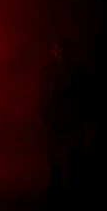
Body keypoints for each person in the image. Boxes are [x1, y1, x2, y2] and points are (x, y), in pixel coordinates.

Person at [38, 38, 95, 200]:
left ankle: (74, 183)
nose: (61, 52)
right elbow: (42, 95)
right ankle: (56, 182)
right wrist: (41, 114)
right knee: (54, 152)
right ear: (54, 52)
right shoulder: (47, 72)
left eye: (65, 49)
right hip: (54, 118)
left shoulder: (81, 71)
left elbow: (89, 94)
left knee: (75, 151)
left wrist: (88, 115)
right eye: (58, 49)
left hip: (74, 117)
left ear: (71, 52)